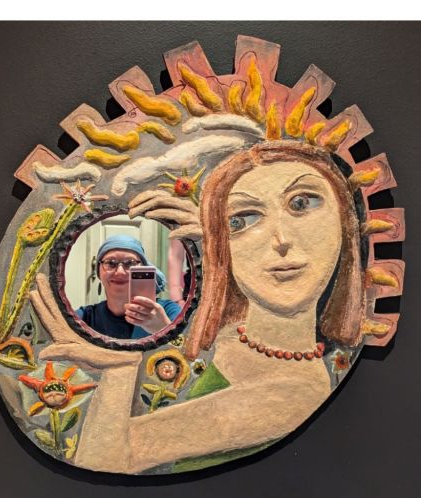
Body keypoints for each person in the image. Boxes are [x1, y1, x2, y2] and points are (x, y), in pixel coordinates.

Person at [28, 141, 365, 474]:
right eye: (242, 220)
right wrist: (213, 244)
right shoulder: (229, 334)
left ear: (344, 221)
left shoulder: (294, 392)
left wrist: (120, 370)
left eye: (301, 203)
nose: (280, 239)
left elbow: (107, 460)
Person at [74, 236, 182, 341]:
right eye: (110, 263)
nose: (120, 272)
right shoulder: (84, 317)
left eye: (130, 263)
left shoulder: (168, 310)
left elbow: (185, 349)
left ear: (143, 269)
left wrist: (165, 329)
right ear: (99, 272)